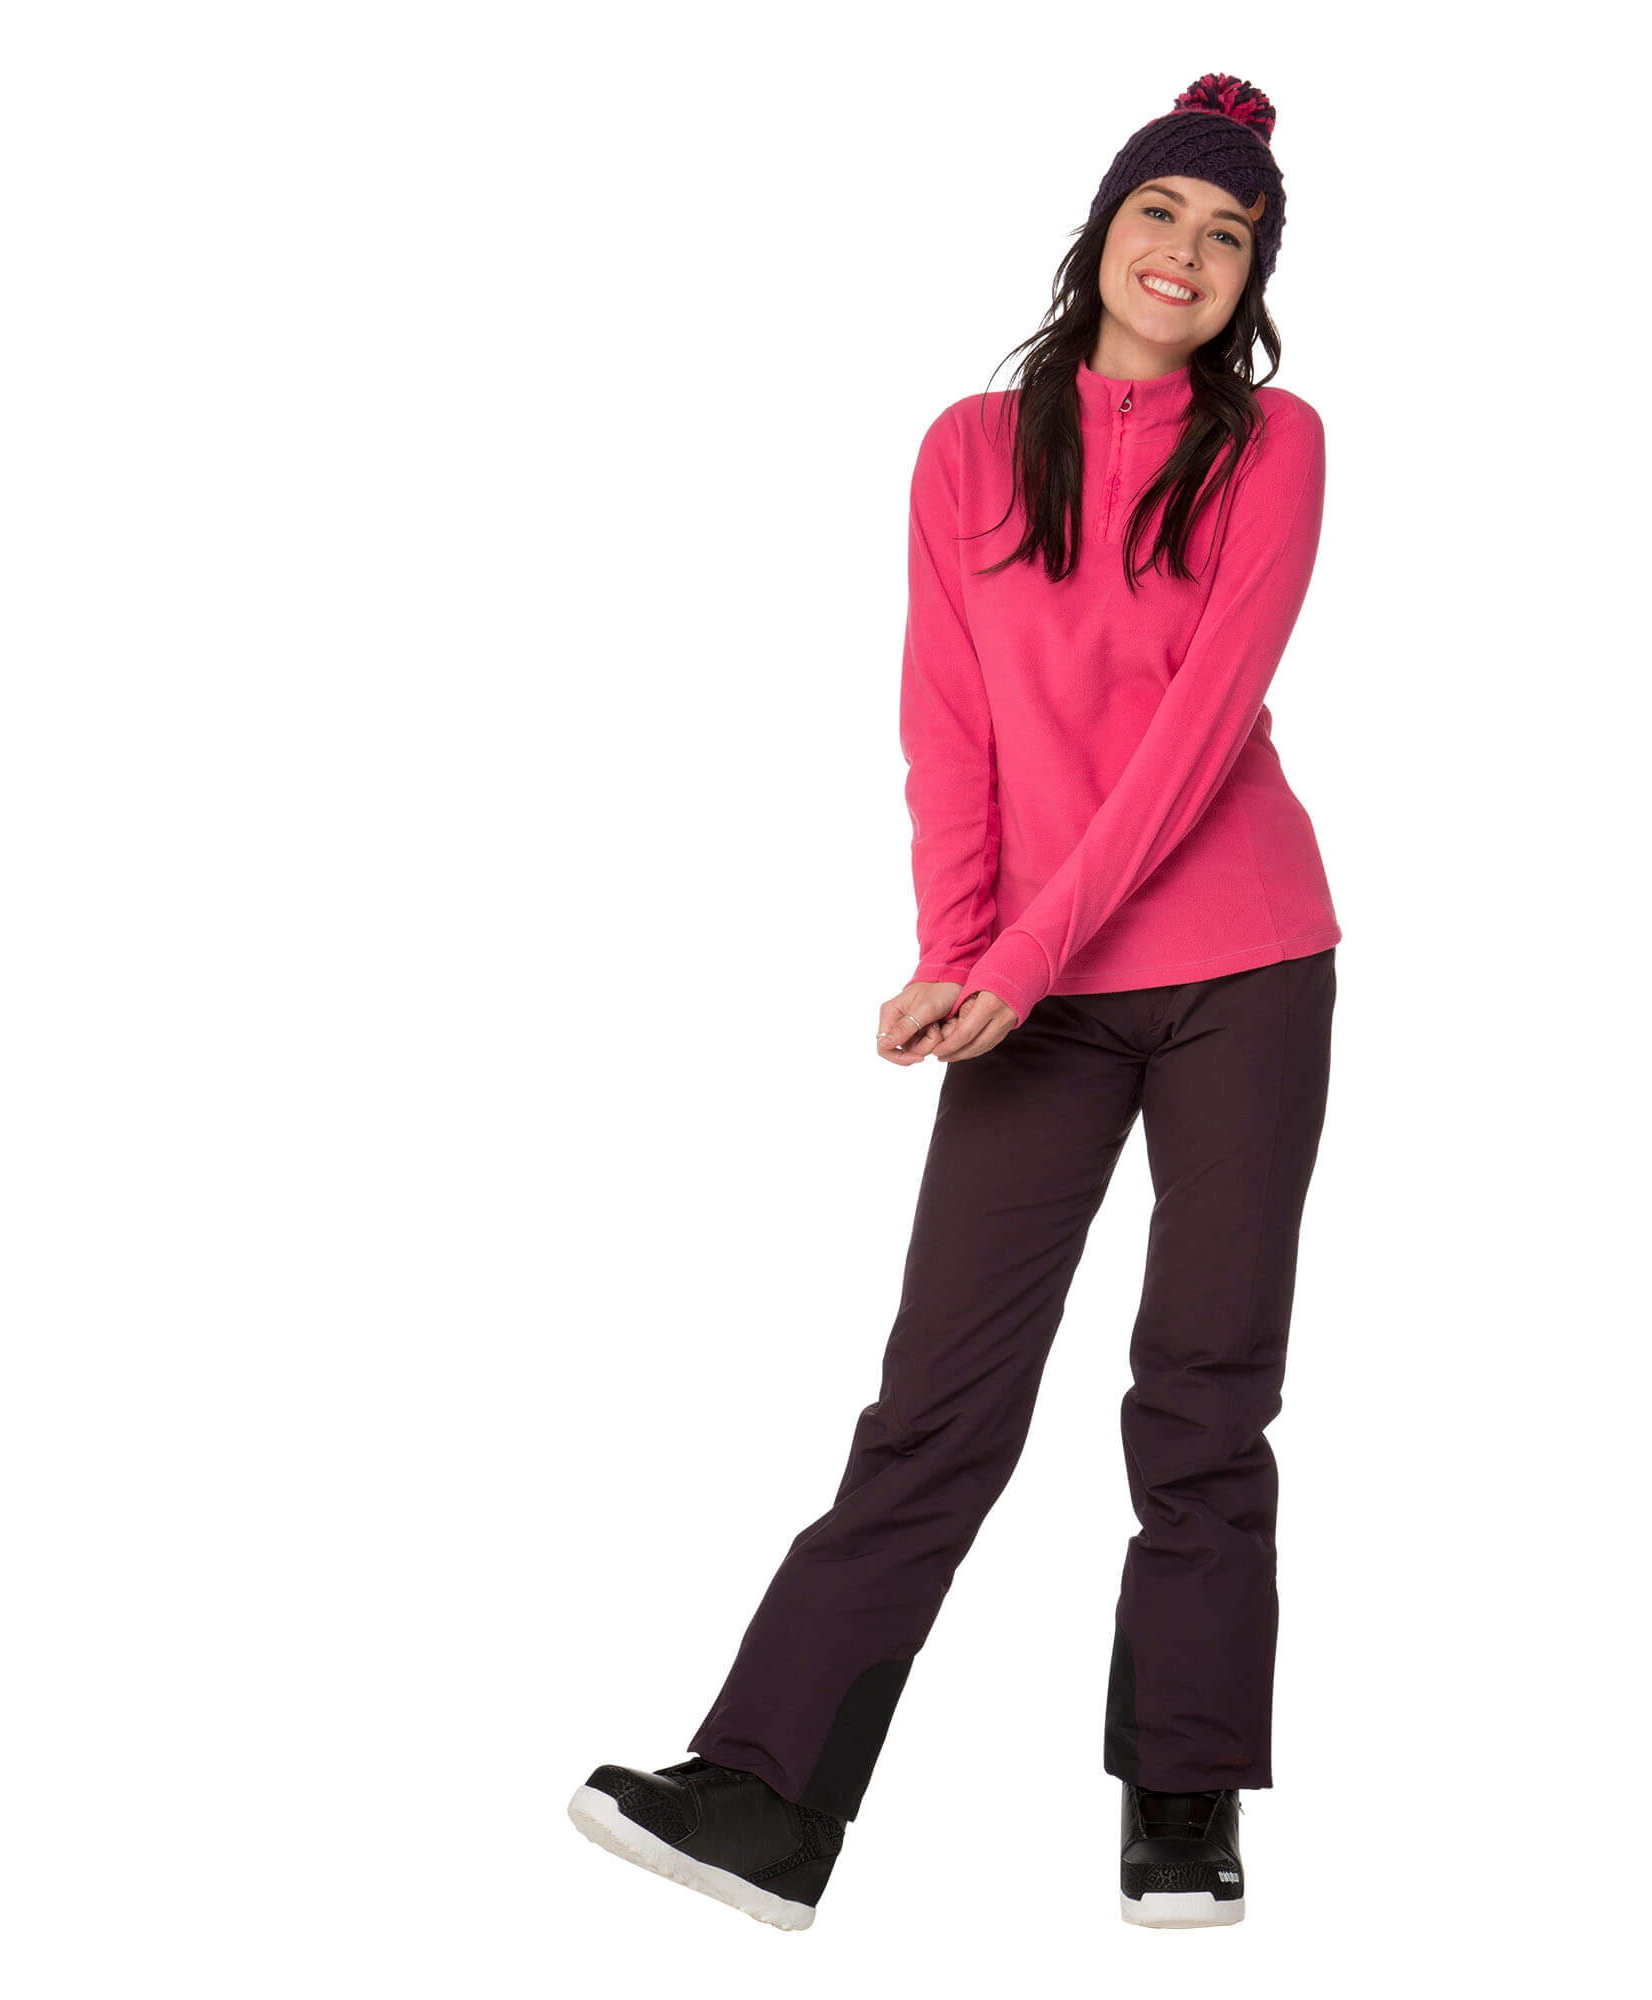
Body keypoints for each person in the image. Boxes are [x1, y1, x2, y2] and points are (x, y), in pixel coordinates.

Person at [568, 71, 1340, 1932]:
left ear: (1251, 279)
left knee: (1204, 1392)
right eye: (1161, 213)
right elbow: (951, 719)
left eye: (1228, 235)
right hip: (1028, 985)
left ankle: (1181, 1801)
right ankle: (766, 1799)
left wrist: (1014, 957)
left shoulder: (1276, 445)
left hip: (1244, 964)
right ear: (1103, 234)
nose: (1187, 253)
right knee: (936, 1401)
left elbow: (1192, 745)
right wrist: (954, 948)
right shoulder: (969, 450)